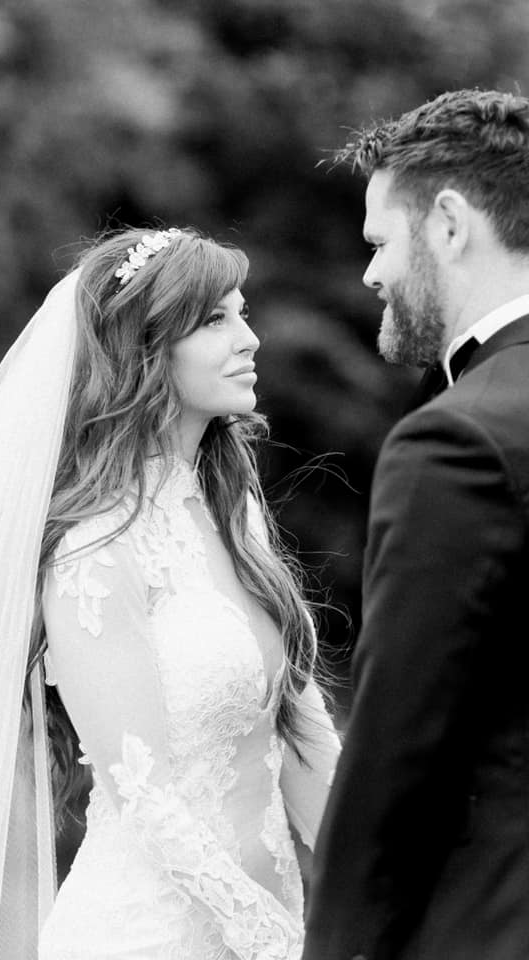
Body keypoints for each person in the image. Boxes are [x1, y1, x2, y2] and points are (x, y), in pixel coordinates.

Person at [0, 225, 340, 960]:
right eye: (216, 320)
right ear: (147, 350)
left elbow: (303, 729)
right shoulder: (93, 547)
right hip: (150, 937)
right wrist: (271, 942)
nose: (250, 338)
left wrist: (379, 892)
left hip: (273, 923)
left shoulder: (235, 507)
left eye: (244, 312)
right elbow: (147, 794)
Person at [302, 88, 529, 960]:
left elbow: (401, 750)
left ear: (447, 223)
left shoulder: (457, 439)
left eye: (378, 243)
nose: (369, 275)